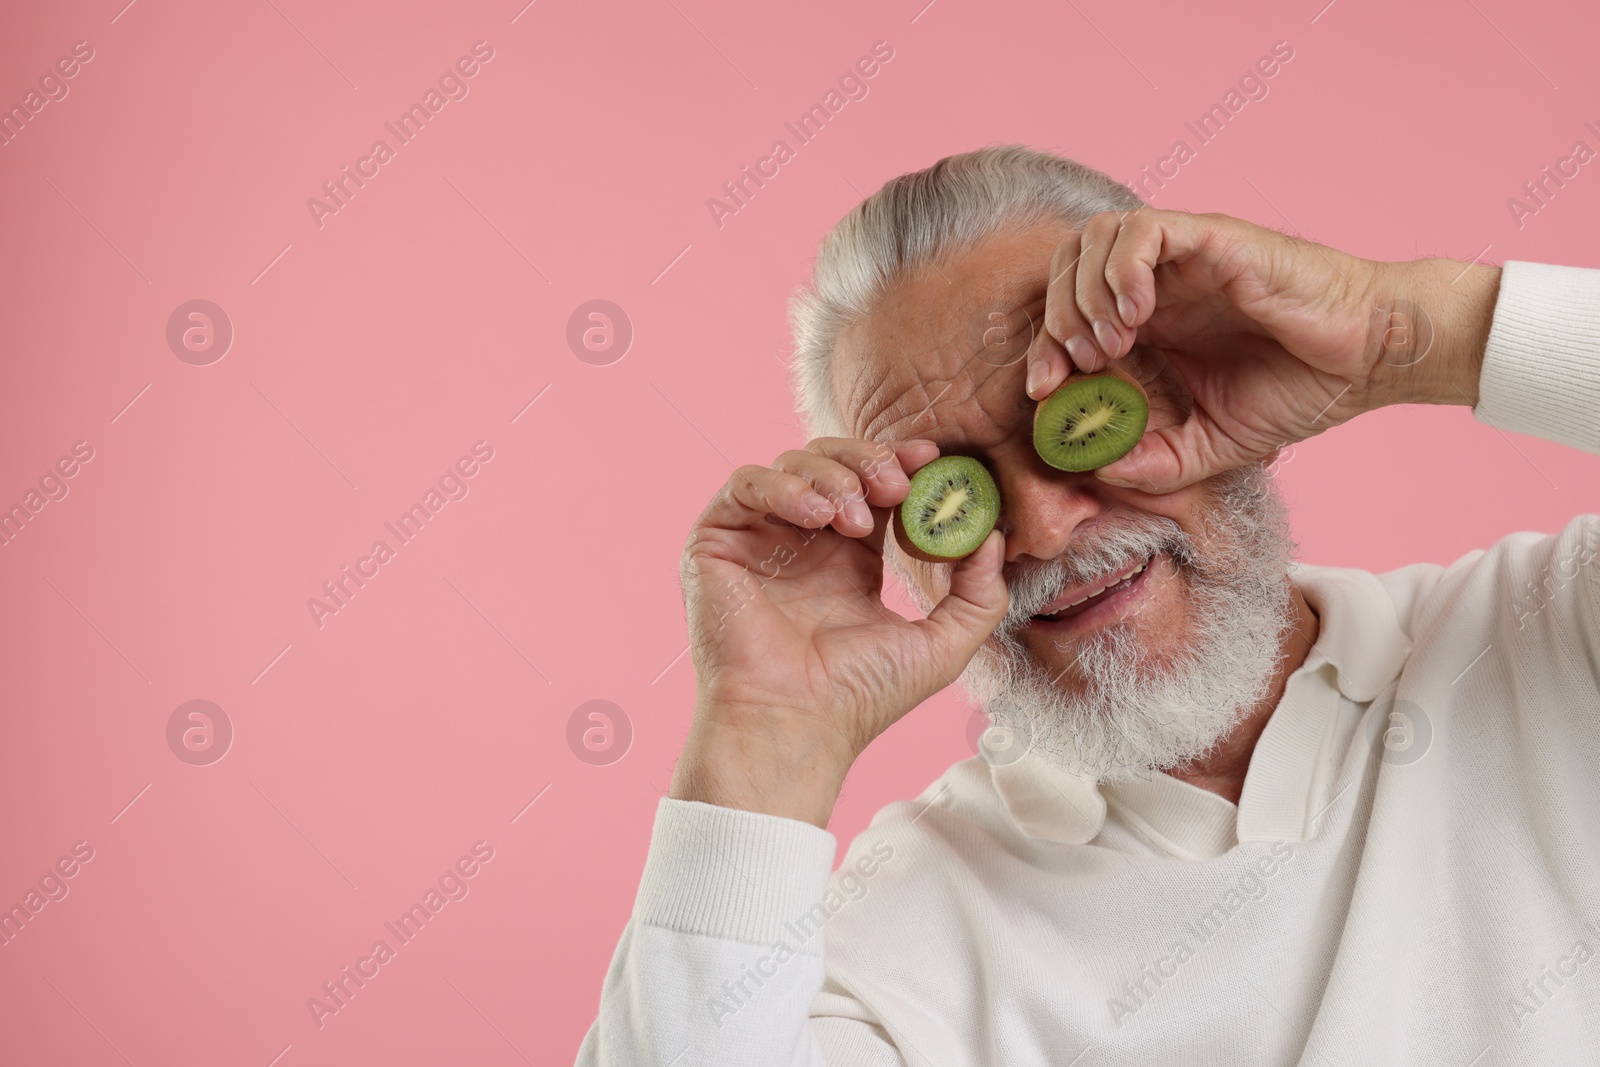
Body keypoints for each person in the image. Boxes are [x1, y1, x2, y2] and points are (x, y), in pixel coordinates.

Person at [574, 145, 1600, 1065]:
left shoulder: (1553, 635)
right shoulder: (876, 942)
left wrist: (1401, 334)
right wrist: (759, 738)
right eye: (954, 490)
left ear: (1217, 383)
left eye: (1076, 420)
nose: (1047, 531)